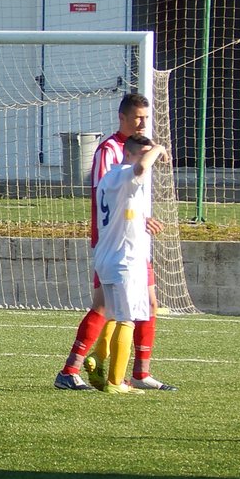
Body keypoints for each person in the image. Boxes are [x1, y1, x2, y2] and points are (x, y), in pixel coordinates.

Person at [54, 93, 176, 392]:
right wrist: (128, 222)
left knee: (149, 303)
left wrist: (142, 218)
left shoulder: (141, 148)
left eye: (146, 118)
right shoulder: (110, 150)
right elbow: (107, 194)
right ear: (122, 117)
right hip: (115, 243)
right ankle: (72, 370)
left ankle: (140, 373)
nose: (143, 123)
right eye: (137, 118)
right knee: (106, 308)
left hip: (134, 243)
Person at [93, 135, 168, 394]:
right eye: (142, 153)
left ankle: (97, 357)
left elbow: (123, 212)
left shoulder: (109, 178)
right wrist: (158, 148)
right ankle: (116, 382)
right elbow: (141, 168)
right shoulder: (128, 175)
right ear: (128, 154)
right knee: (127, 320)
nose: (147, 160)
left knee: (113, 316)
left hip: (106, 256)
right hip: (125, 260)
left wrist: (141, 220)